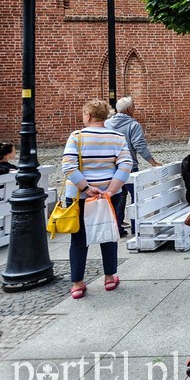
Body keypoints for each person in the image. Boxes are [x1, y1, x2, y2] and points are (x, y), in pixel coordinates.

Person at [63, 99, 133, 299]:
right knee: (108, 234)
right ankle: (109, 278)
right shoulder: (117, 137)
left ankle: (77, 284)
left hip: (79, 197)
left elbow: (68, 166)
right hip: (108, 197)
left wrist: (86, 187)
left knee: (78, 239)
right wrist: (110, 190)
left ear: (88, 116)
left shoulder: (76, 137)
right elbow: (125, 165)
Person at [105, 96, 162, 237]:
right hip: (129, 166)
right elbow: (140, 146)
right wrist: (153, 163)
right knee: (136, 197)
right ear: (129, 110)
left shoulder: (106, 124)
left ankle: (117, 228)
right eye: (134, 107)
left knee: (118, 196)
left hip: (111, 167)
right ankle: (136, 228)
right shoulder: (133, 125)